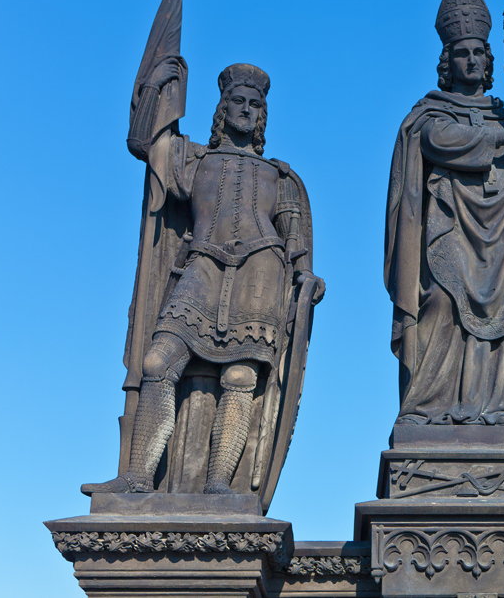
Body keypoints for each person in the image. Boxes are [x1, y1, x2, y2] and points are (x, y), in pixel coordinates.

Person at [83, 62, 325, 497]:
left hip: (261, 271)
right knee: (159, 361)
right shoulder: (190, 159)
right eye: (238, 101)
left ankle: (218, 484)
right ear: (222, 107)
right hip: (202, 266)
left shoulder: (280, 175)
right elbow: (143, 142)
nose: (247, 110)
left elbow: (295, 240)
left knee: (239, 377)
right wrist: (158, 83)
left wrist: (307, 277)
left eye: (256, 105)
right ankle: (136, 476)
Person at [384, 0, 504, 427]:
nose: (472, 60)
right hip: (451, 224)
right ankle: (429, 407)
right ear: (447, 62)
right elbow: (436, 140)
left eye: (479, 53)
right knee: (440, 306)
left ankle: (503, 408)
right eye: (462, 53)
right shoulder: (431, 112)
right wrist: (501, 138)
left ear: (490, 61)